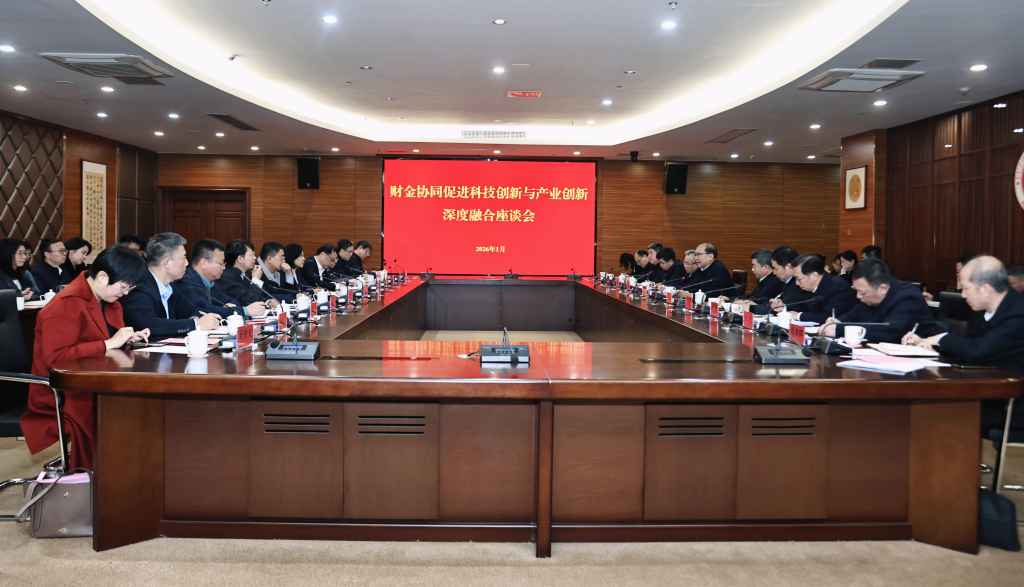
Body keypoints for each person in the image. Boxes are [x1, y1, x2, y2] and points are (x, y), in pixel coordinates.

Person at [20, 246, 150, 469]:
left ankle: (130, 467)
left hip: (92, 379)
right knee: (123, 407)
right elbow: (56, 359)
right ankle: (103, 473)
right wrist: (108, 344)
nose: (126, 293)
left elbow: (104, 339)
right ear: (103, 277)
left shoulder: (106, 300)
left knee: (140, 401)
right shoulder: (65, 304)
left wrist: (127, 338)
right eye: (124, 287)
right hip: (62, 390)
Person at [903, 256, 1024, 368]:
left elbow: (978, 350)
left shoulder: (1018, 314)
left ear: (985, 289)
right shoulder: (980, 310)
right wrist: (928, 346)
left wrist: (940, 340)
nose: (963, 295)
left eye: (966, 288)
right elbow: (966, 347)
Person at [122, 233, 221, 339]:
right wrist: (195, 324)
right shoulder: (140, 287)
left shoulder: (171, 287)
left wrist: (203, 318)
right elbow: (149, 325)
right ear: (167, 263)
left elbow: (191, 310)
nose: (187, 263)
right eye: (184, 257)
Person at [819, 258, 931, 343]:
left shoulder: (908, 297)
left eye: (862, 293)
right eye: (856, 291)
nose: (858, 296)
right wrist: (837, 321)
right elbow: (854, 315)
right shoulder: (871, 298)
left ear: (882, 288)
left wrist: (839, 329)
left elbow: (891, 331)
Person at [173, 239, 267, 319]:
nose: (224, 268)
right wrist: (244, 311)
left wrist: (230, 308)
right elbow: (206, 309)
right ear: (204, 263)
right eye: (220, 263)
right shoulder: (187, 282)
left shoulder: (209, 282)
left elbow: (230, 301)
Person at [786, 254, 858, 323]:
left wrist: (799, 316)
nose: (797, 283)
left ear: (814, 275)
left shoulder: (838, 287)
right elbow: (804, 307)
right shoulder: (812, 287)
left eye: (799, 279)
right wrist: (784, 308)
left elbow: (829, 316)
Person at [217, 239, 278, 307]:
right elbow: (248, 302)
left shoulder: (244, 274)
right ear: (240, 259)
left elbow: (260, 295)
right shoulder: (227, 278)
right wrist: (256, 280)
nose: (255, 258)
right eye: (251, 255)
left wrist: (268, 301)